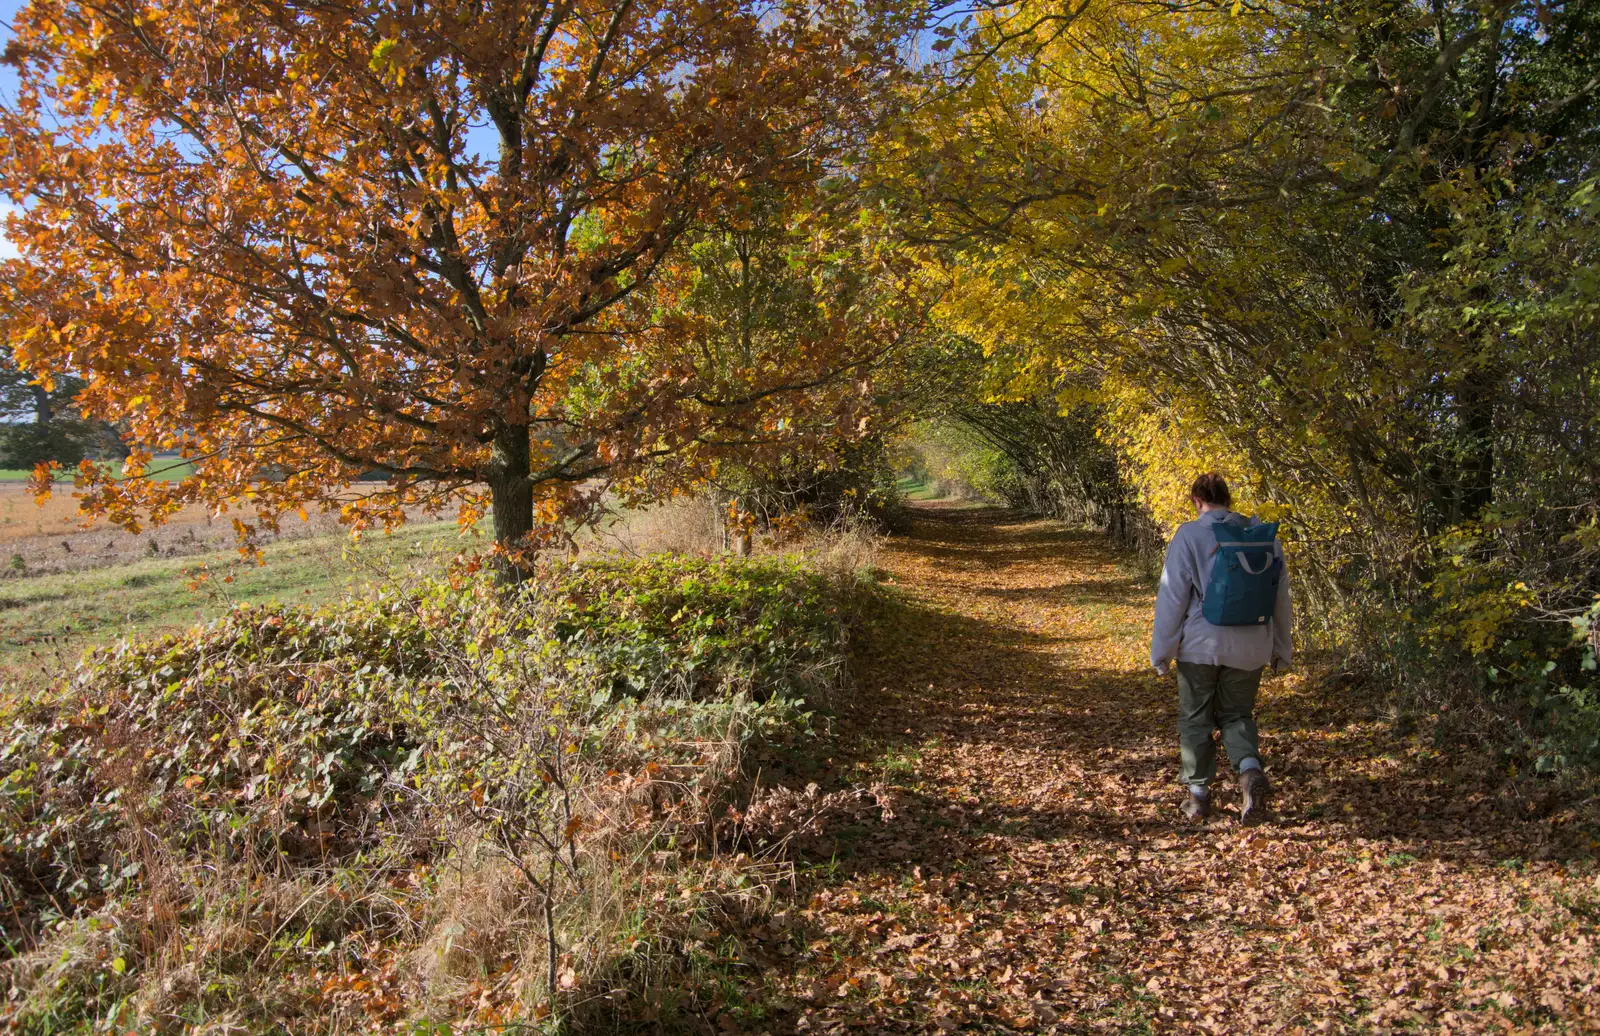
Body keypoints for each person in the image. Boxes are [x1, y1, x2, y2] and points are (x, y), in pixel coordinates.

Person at [1151, 473, 1292, 823]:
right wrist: (1280, 649)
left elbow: (1172, 597)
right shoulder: (1262, 537)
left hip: (1201, 645)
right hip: (1252, 646)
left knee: (1195, 717)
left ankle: (1198, 796)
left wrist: (1162, 652)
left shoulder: (1190, 534)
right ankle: (1249, 771)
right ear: (1228, 500)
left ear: (1198, 501)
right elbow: (1280, 600)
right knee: (1237, 715)